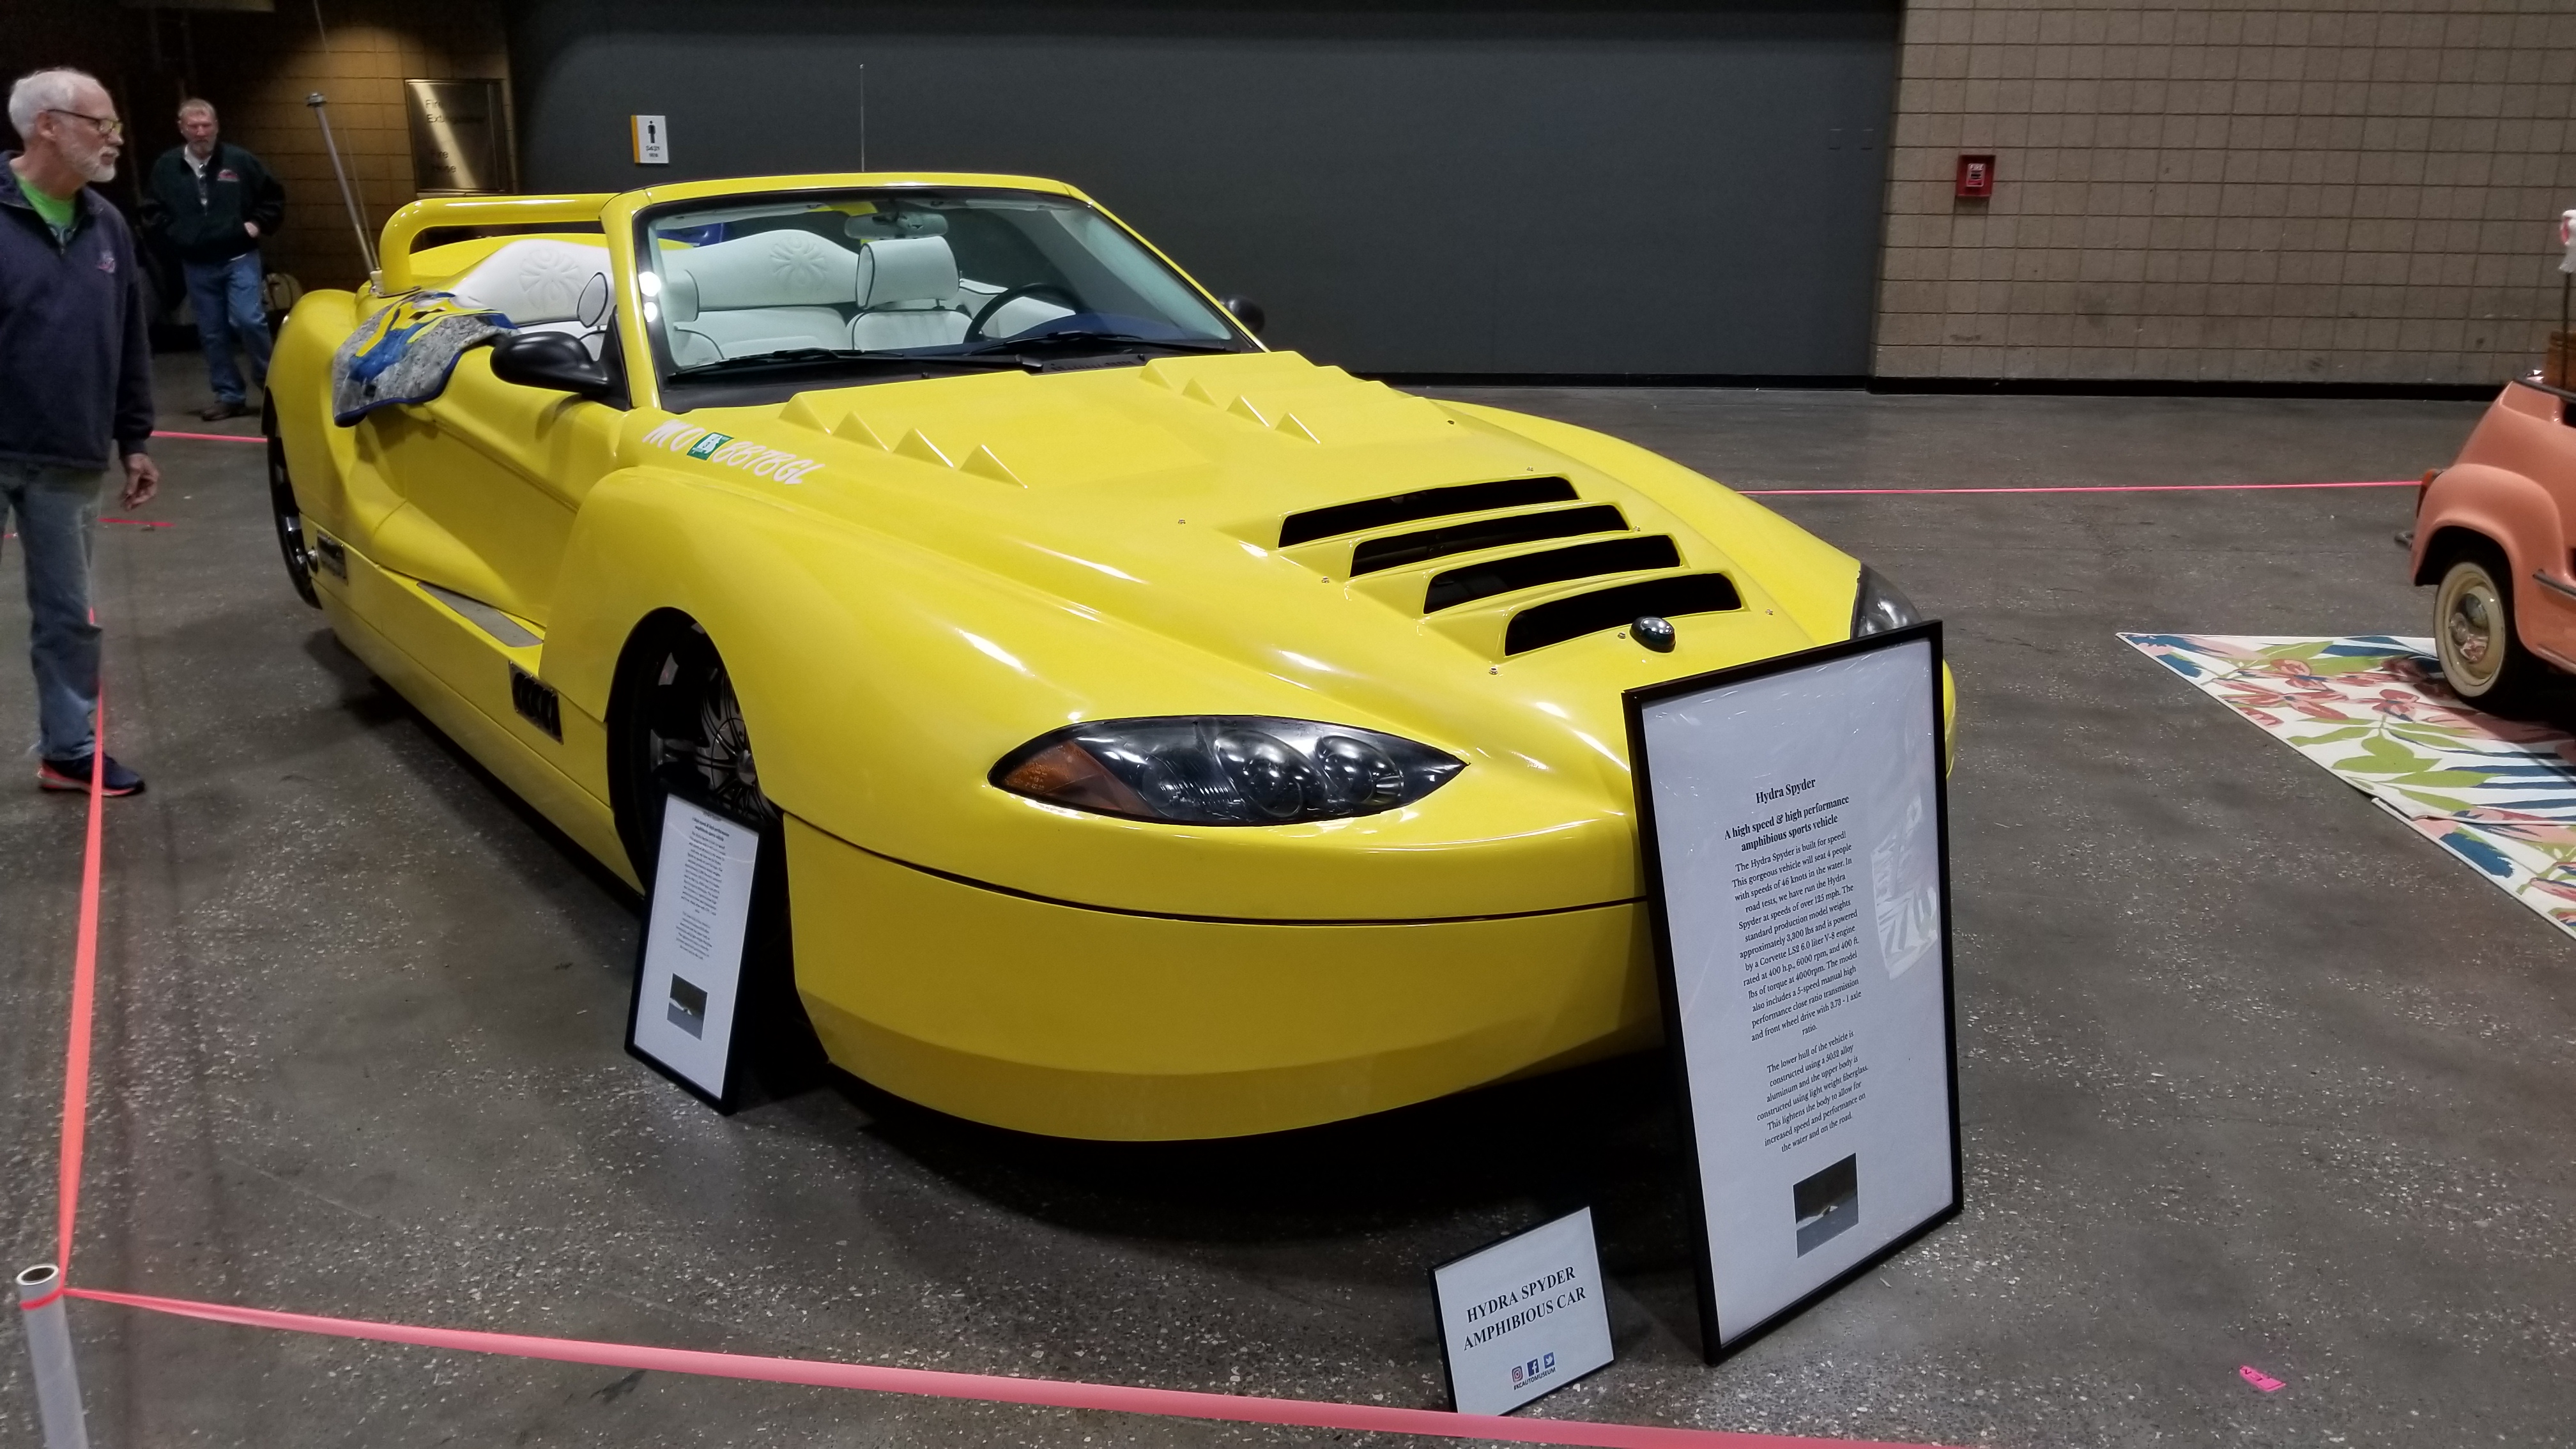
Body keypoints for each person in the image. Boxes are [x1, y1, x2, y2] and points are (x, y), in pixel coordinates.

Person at [1, 69, 157, 796]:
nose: (113, 138)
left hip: (67, 450)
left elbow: (128, 340)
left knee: (70, 615)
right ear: (47, 126)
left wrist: (134, 436)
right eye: (101, 123)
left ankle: (69, 749)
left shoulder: (107, 225)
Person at [144, 97, 282, 422]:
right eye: (194, 126)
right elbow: (151, 211)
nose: (201, 132)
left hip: (239, 256)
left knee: (249, 320)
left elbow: (273, 195)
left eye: (207, 125)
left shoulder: (239, 161)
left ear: (216, 127)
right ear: (182, 129)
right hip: (197, 263)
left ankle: (272, 388)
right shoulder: (167, 167)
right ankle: (228, 395)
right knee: (212, 332)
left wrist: (256, 224)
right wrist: (177, 237)